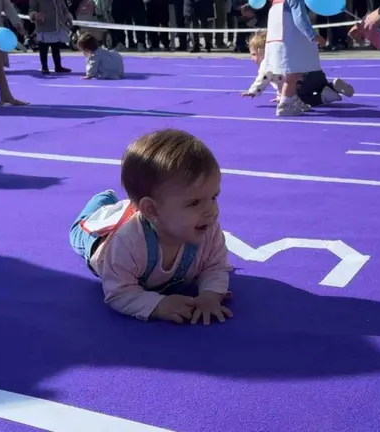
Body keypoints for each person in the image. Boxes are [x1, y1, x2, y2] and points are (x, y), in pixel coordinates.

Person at [69, 129, 233, 325]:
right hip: (99, 239)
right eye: (194, 203)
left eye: (213, 197)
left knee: (127, 207)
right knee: (81, 229)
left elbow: (215, 267)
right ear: (152, 209)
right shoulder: (127, 243)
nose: (211, 211)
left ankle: (121, 205)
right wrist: (158, 305)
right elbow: (119, 291)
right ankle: (102, 200)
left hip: (145, 213)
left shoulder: (208, 229)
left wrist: (210, 296)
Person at [241, 30, 354, 109]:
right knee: (318, 86)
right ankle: (332, 86)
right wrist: (280, 96)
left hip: (301, 80)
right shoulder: (283, 53)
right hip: (316, 73)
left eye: (253, 54)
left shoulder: (268, 61)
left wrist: (253, 91)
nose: (251, 58)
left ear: (262, 51)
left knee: (297, 100)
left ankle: (323, 98)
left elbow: (264, 77)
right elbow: (280, 80)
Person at [255, 0, 326, 116]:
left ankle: (293, 100)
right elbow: (300, 18)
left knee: (289, 73)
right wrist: (314, 36)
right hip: (290, 40)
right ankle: (285, 104)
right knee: (293, 74)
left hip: (276, 39)